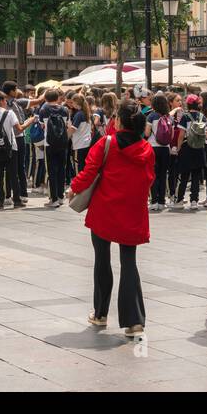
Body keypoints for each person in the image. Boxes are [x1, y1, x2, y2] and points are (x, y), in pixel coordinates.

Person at [68, 99, 155, 338]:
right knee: (129, 263)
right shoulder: (146, 149)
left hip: (104, 210)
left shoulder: (106, 143)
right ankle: (134, 321)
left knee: (102, 261)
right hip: (133, 211)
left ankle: (100, 314)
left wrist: (73, 187)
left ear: (118, 121)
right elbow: (149, 179)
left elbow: (89, 172)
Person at [29, 88, 72, 209]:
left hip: (49, 144)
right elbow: (68, 125)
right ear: (57, 97)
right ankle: (60, 196)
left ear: (46, 98)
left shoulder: (44, 109)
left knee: (51, 171)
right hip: (63, 143)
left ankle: (53, 199)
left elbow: (42, 126)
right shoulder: (65, 109)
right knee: (61, 170)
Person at [175, 94, 207, 209]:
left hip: (186, 147)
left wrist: (178, 148)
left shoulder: (185, 117)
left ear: (188, 104)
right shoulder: (202, 117)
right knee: (196, 175)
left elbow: (181, 135)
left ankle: (179, 200)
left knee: (184, 175)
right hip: (199, 148)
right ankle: (194, 201)